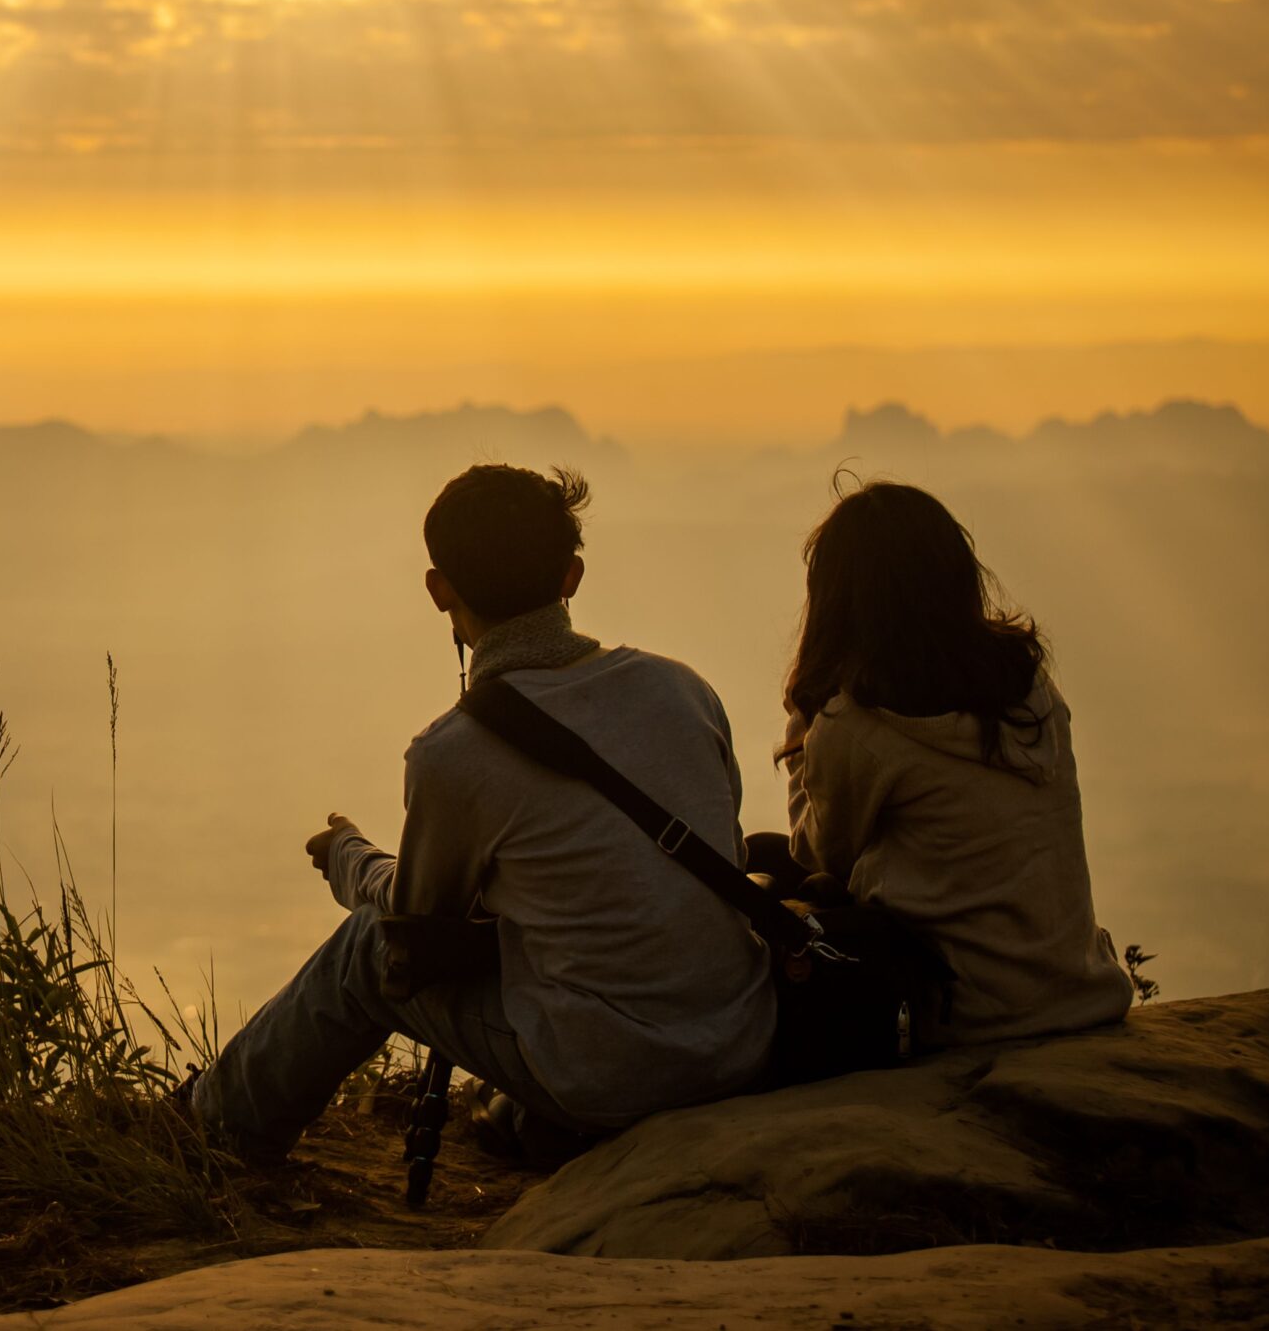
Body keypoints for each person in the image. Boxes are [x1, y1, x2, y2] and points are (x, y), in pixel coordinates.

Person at [188, 464, 775, 1166]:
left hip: (617, 1075)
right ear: (572, 576)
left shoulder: (455, 752)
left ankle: (215, 1130)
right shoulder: (686, 690)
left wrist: (349, 856)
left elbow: (414, 929)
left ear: (439, 590)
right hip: (742, 1038)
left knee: (364, 947)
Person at [762, 481, 1133, 1048]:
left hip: (967, 1011)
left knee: (762, 867)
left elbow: (815, 852)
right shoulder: (1025, 686)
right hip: (1077, 988)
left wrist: (805, 710)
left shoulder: (854, 723)